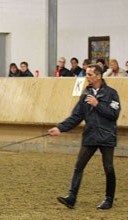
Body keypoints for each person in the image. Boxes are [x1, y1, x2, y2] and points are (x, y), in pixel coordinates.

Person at [48, 64, 120, 210]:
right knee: (79, 166)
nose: (86, 76)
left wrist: (97, 104)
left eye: (89, 74)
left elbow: (114, 114)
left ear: (98, 76)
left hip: (106, 136)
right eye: (86, 74)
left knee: (108, 168)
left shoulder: (112, 93)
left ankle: (108, 199)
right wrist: (60, 128)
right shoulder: (85, 94)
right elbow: (76, 116)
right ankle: (71, 197)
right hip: (90, 136)